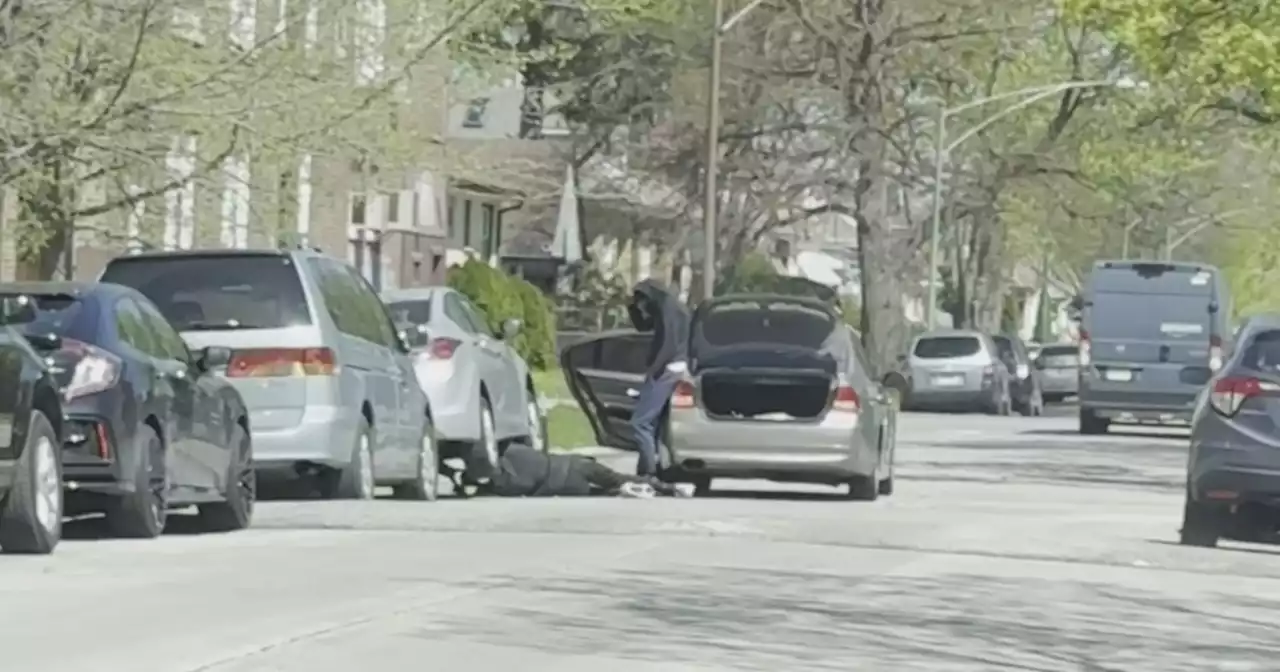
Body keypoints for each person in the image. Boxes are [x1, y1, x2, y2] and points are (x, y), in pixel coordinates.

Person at [454, 441, 685, 498]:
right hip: (571, 466)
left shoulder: (506, 484)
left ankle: (644, 488)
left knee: (608, 488)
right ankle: (665, 487)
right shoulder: (510, 450)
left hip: (565, 483)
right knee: (615, 480)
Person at [626, 279, 691, 478]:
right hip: (675, 366)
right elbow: (643, 326)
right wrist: (632, 308)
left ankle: (648, 472)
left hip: (668, 367)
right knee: (653, 423)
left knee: (641, 422)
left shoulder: (668, 311)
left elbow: (667, 343)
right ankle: (647, 469)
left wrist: (654, 370)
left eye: (641, 301)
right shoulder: (669, 307)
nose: (641, 306)